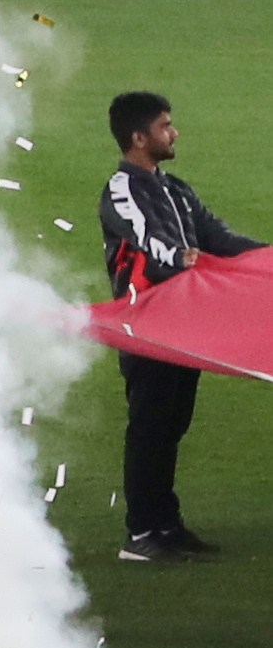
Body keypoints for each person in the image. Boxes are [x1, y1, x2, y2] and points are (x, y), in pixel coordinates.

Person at [105, 87, 255, 557]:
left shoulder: (177, 190)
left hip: (185, 327)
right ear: (139, 137)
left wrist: (264, 257)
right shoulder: (121, 188)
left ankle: (166, 526)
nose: (174, 133)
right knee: (150, 427)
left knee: (172, 425)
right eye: (165, 126)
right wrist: (180, 256)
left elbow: (219, 237)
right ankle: (141, 533)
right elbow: (147, 238)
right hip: (147, 327)